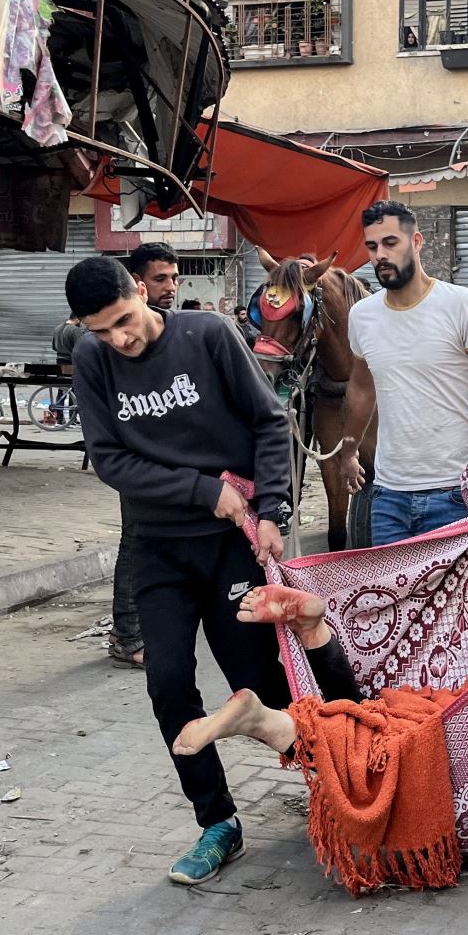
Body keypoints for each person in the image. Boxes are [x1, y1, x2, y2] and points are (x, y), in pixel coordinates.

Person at [64, 255, 292, 886]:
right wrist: (199, 489)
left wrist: (271, 508)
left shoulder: (209, 335)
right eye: (101, 330)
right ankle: (217, 822)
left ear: (144, 293)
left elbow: (269, 421)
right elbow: (109, 460)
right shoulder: (93, 358)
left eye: (124, 322)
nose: (119, 340)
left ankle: (330, 774)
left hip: (230, 546)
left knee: (260, 681)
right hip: (157, 545)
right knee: (167, 683)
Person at [341, 200, 468, 545]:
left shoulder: (460, 304)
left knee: (455, 600)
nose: (380, 255)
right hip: (388, 495)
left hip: (454, 493)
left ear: (416, 242)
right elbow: (362, 389)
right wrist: (349, 449)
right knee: (393, 598)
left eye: (390, 243)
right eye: (372, 246)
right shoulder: (362, 316)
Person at [105, 244, 184, 669]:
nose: (170, 287)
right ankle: (128, 635)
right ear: (137, 284)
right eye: (160, 279)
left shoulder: (171, 331)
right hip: (136, 460)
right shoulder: (117, 338)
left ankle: (142, 629)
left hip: (168, 459)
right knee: (136, 540)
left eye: (174, 277)